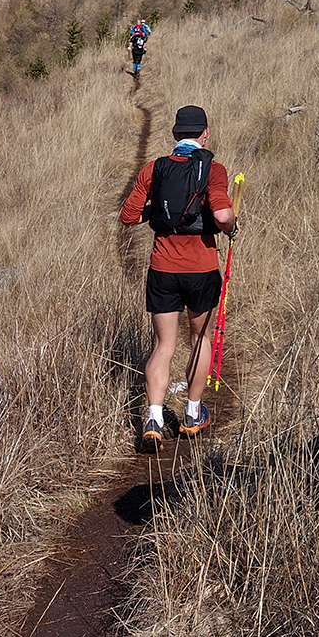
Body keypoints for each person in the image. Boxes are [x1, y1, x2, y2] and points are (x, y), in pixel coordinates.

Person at [120, 105, 235, 451]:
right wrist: (231, 227)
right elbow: (222, 215)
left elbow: (128, 216)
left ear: (174, 134)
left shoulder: (153, 169)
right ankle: (192, 413)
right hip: (201, 269)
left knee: (163, 346)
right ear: (205, 134)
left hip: (163, 269)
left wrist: (159, 212)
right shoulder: (213, 169)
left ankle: (153, 419)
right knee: (200, 339)